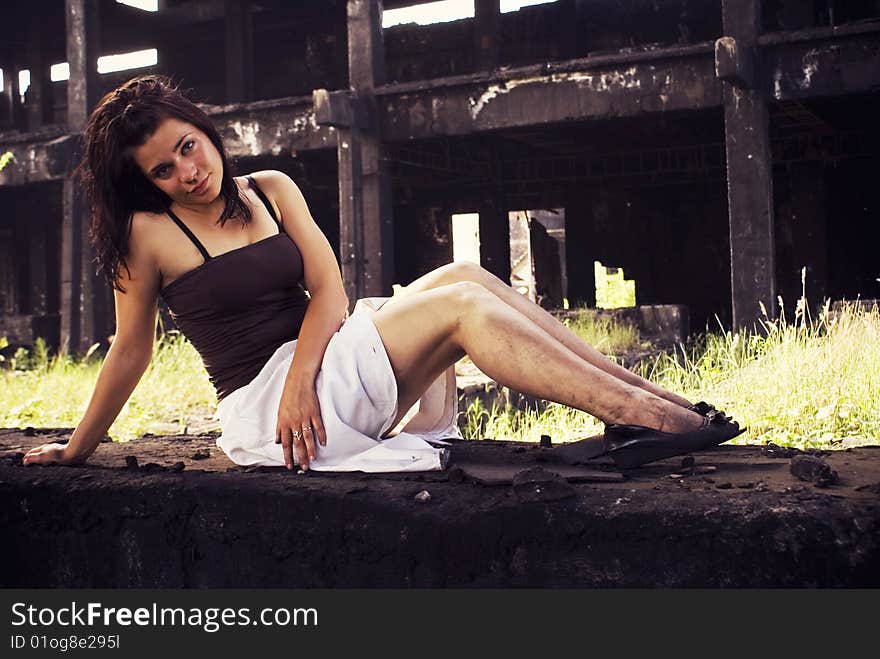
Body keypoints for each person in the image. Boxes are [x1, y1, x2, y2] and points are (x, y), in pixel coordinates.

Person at [22, 75, 741, 474]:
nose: (190, 170)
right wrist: (78, 446)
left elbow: (328, 288)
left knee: (465, 272)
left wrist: (307, 371)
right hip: (274, 410)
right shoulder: (147, 234)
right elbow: (131, 350)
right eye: (164, 169)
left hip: (317, 374)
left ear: (203, 126)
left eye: (188, 146)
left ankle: (656, 403)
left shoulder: (271, 187)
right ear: (147, 183)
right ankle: (641, 420)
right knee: (461, 307)